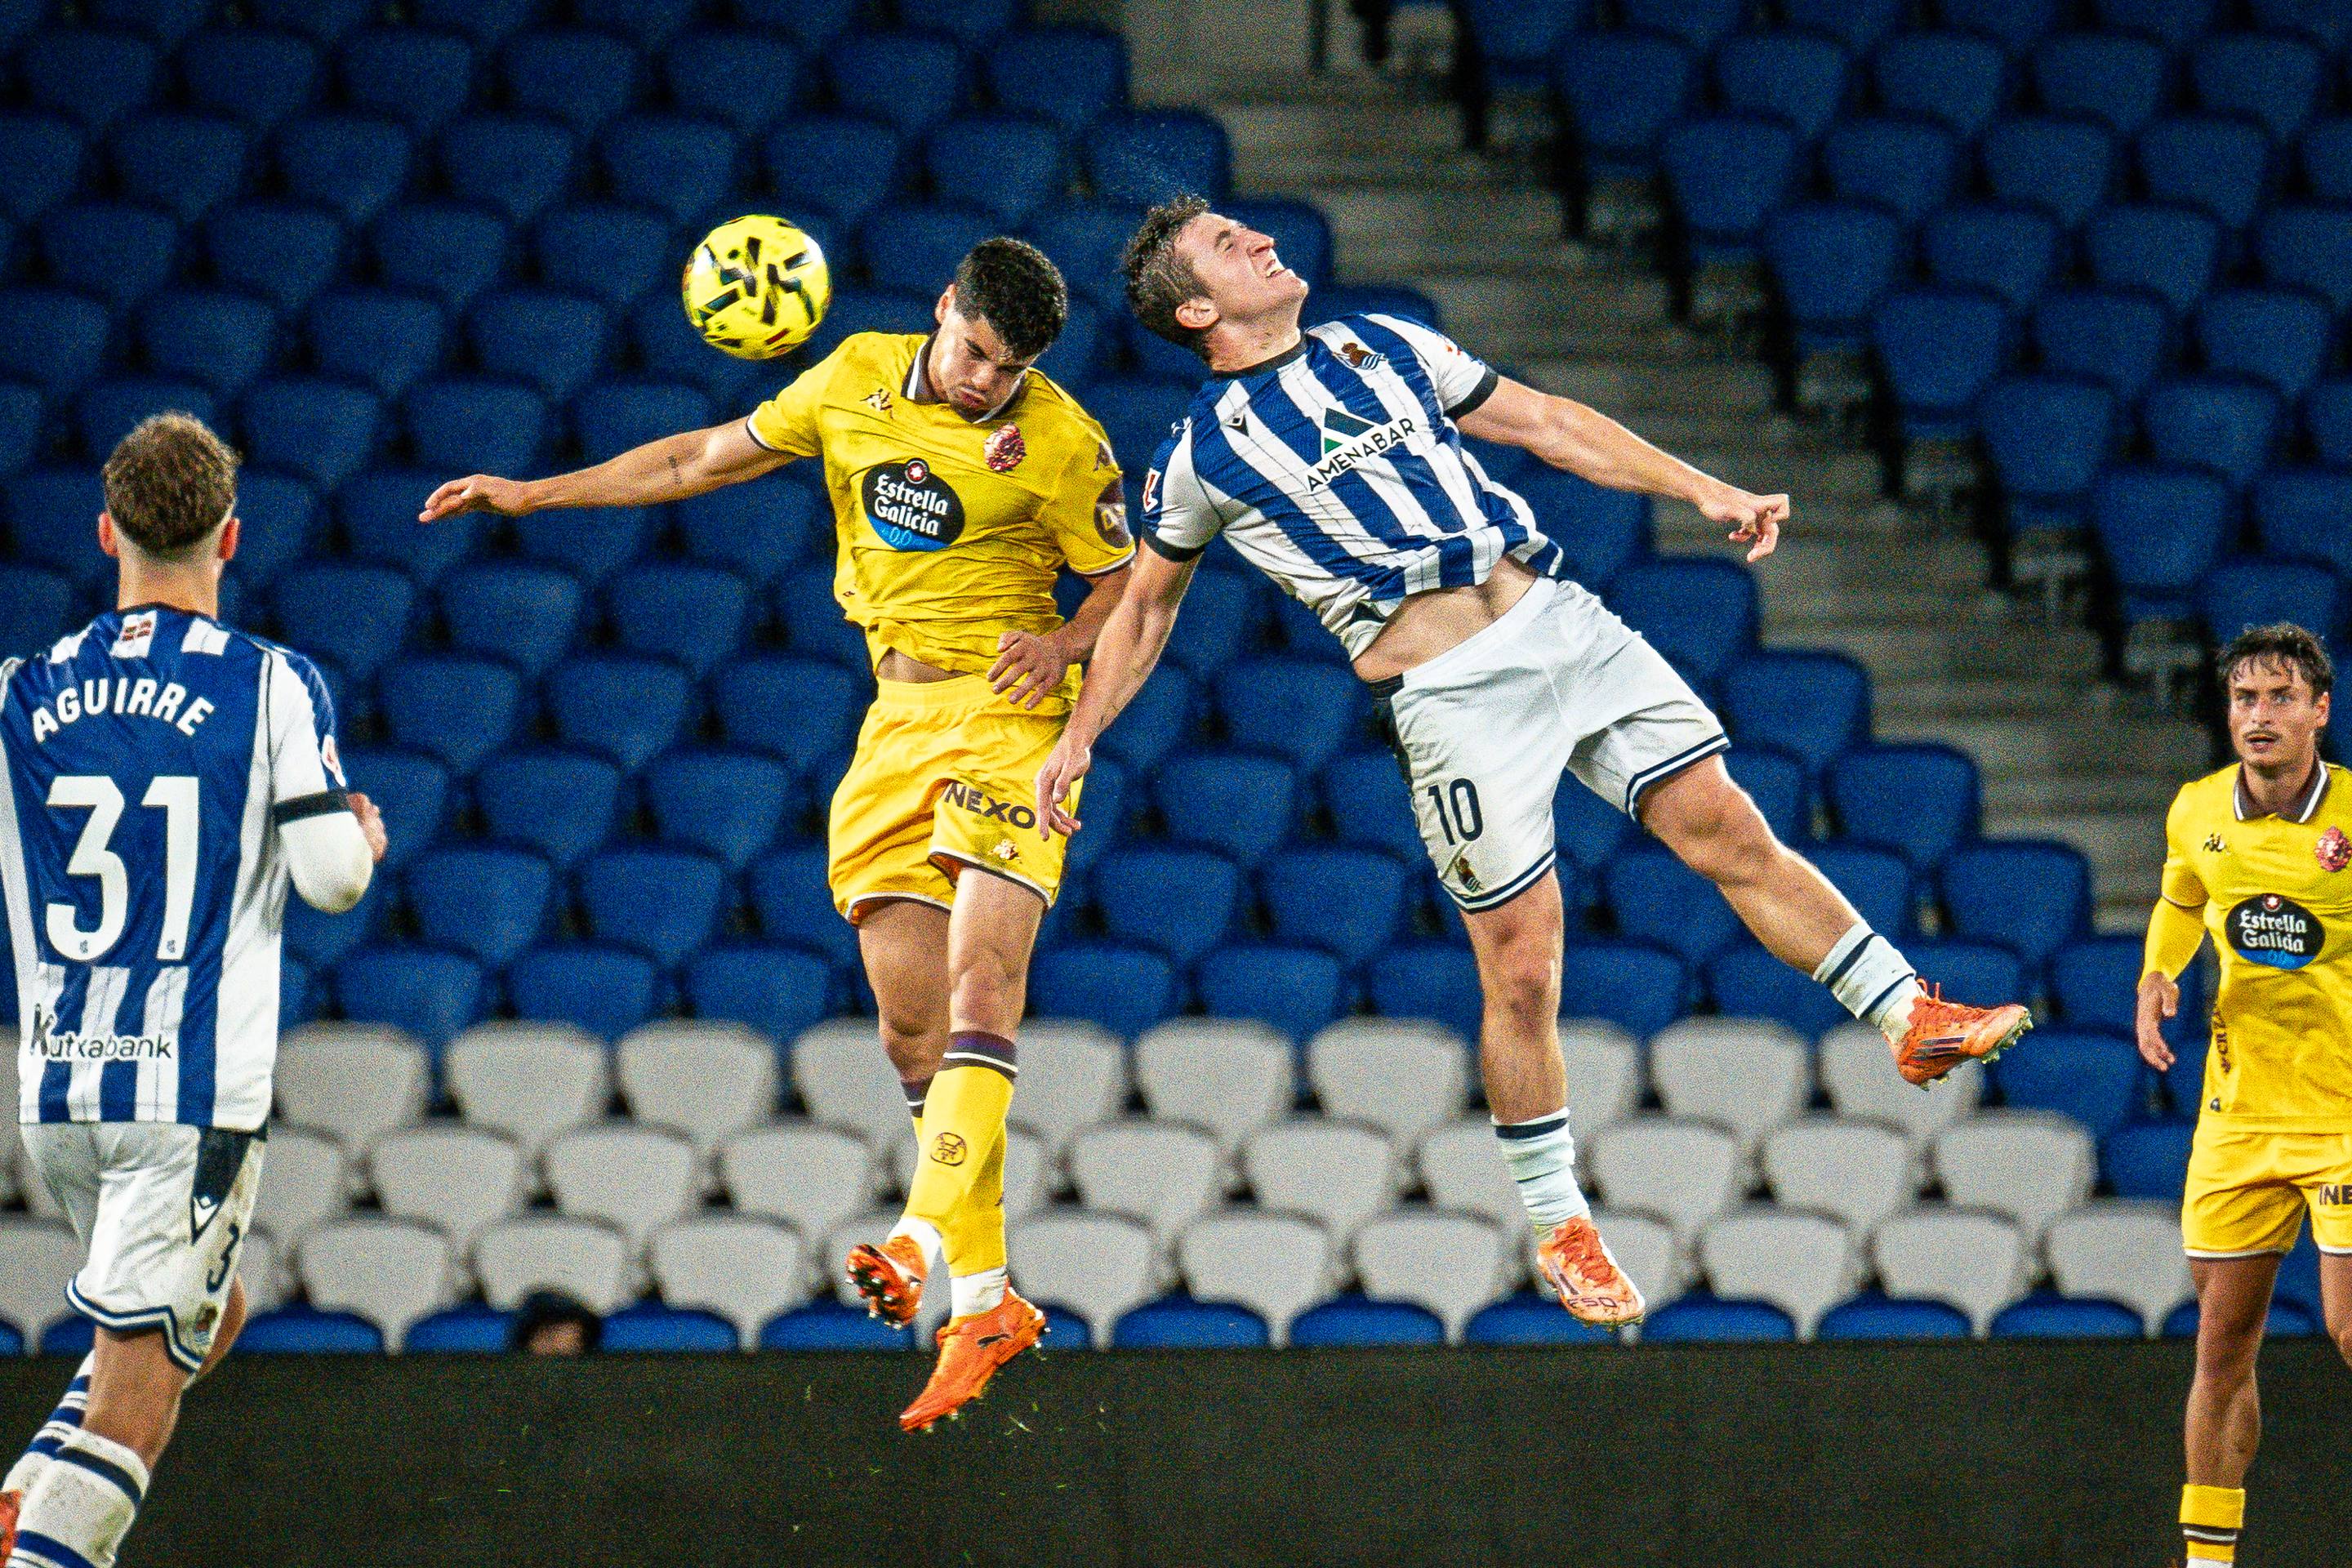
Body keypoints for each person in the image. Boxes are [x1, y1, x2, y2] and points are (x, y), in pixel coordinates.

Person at [1036, 196, 2034, 1326]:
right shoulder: (1201, 455)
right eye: (1228, 245)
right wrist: (1081, 736)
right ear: (1200, 309)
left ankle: (1909, 1017)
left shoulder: (1386, 344)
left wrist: (1699, 486)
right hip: (1454, 700)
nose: (1260, 239)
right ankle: (1560, 1222)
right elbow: (1144, 612)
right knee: (1522, 970)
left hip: (1562, 622)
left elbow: (1549, 424)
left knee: (1732, 830)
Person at [421, 238, 1134, 1431]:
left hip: (1012, 720)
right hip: (897, 722)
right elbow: (701, 457)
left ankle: (915, 1239)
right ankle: (993, 1299)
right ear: (941, 308)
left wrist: (1064, 646)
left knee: (979, 991)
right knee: (913, 1038)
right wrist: (537, 492)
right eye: (972, 354)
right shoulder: (852, 374)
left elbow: (1134, 582)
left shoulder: (1062, 441)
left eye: (1008, 371)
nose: (982, 384)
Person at [0, 413, 385, 1567]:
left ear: (106, 532)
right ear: (231, 537)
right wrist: (355, 833)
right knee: (136, 1407)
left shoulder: (24, 689)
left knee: (208, 1323)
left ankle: (25, 1500)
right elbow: (328, 883)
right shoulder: (267, 684)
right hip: (188, 1097)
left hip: (63, 1094)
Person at [2137, 623, 2352, 1568]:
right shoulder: (2196, 811)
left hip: (2344, 1114)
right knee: (2223, 1347)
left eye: (2278, 698)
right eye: (2243, 699)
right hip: (2240, 1118)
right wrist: (2157, 974)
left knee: (2349, 1325)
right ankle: (2210, 1563)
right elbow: (2185, 898)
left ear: (2319, 711)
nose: (2258, 716)